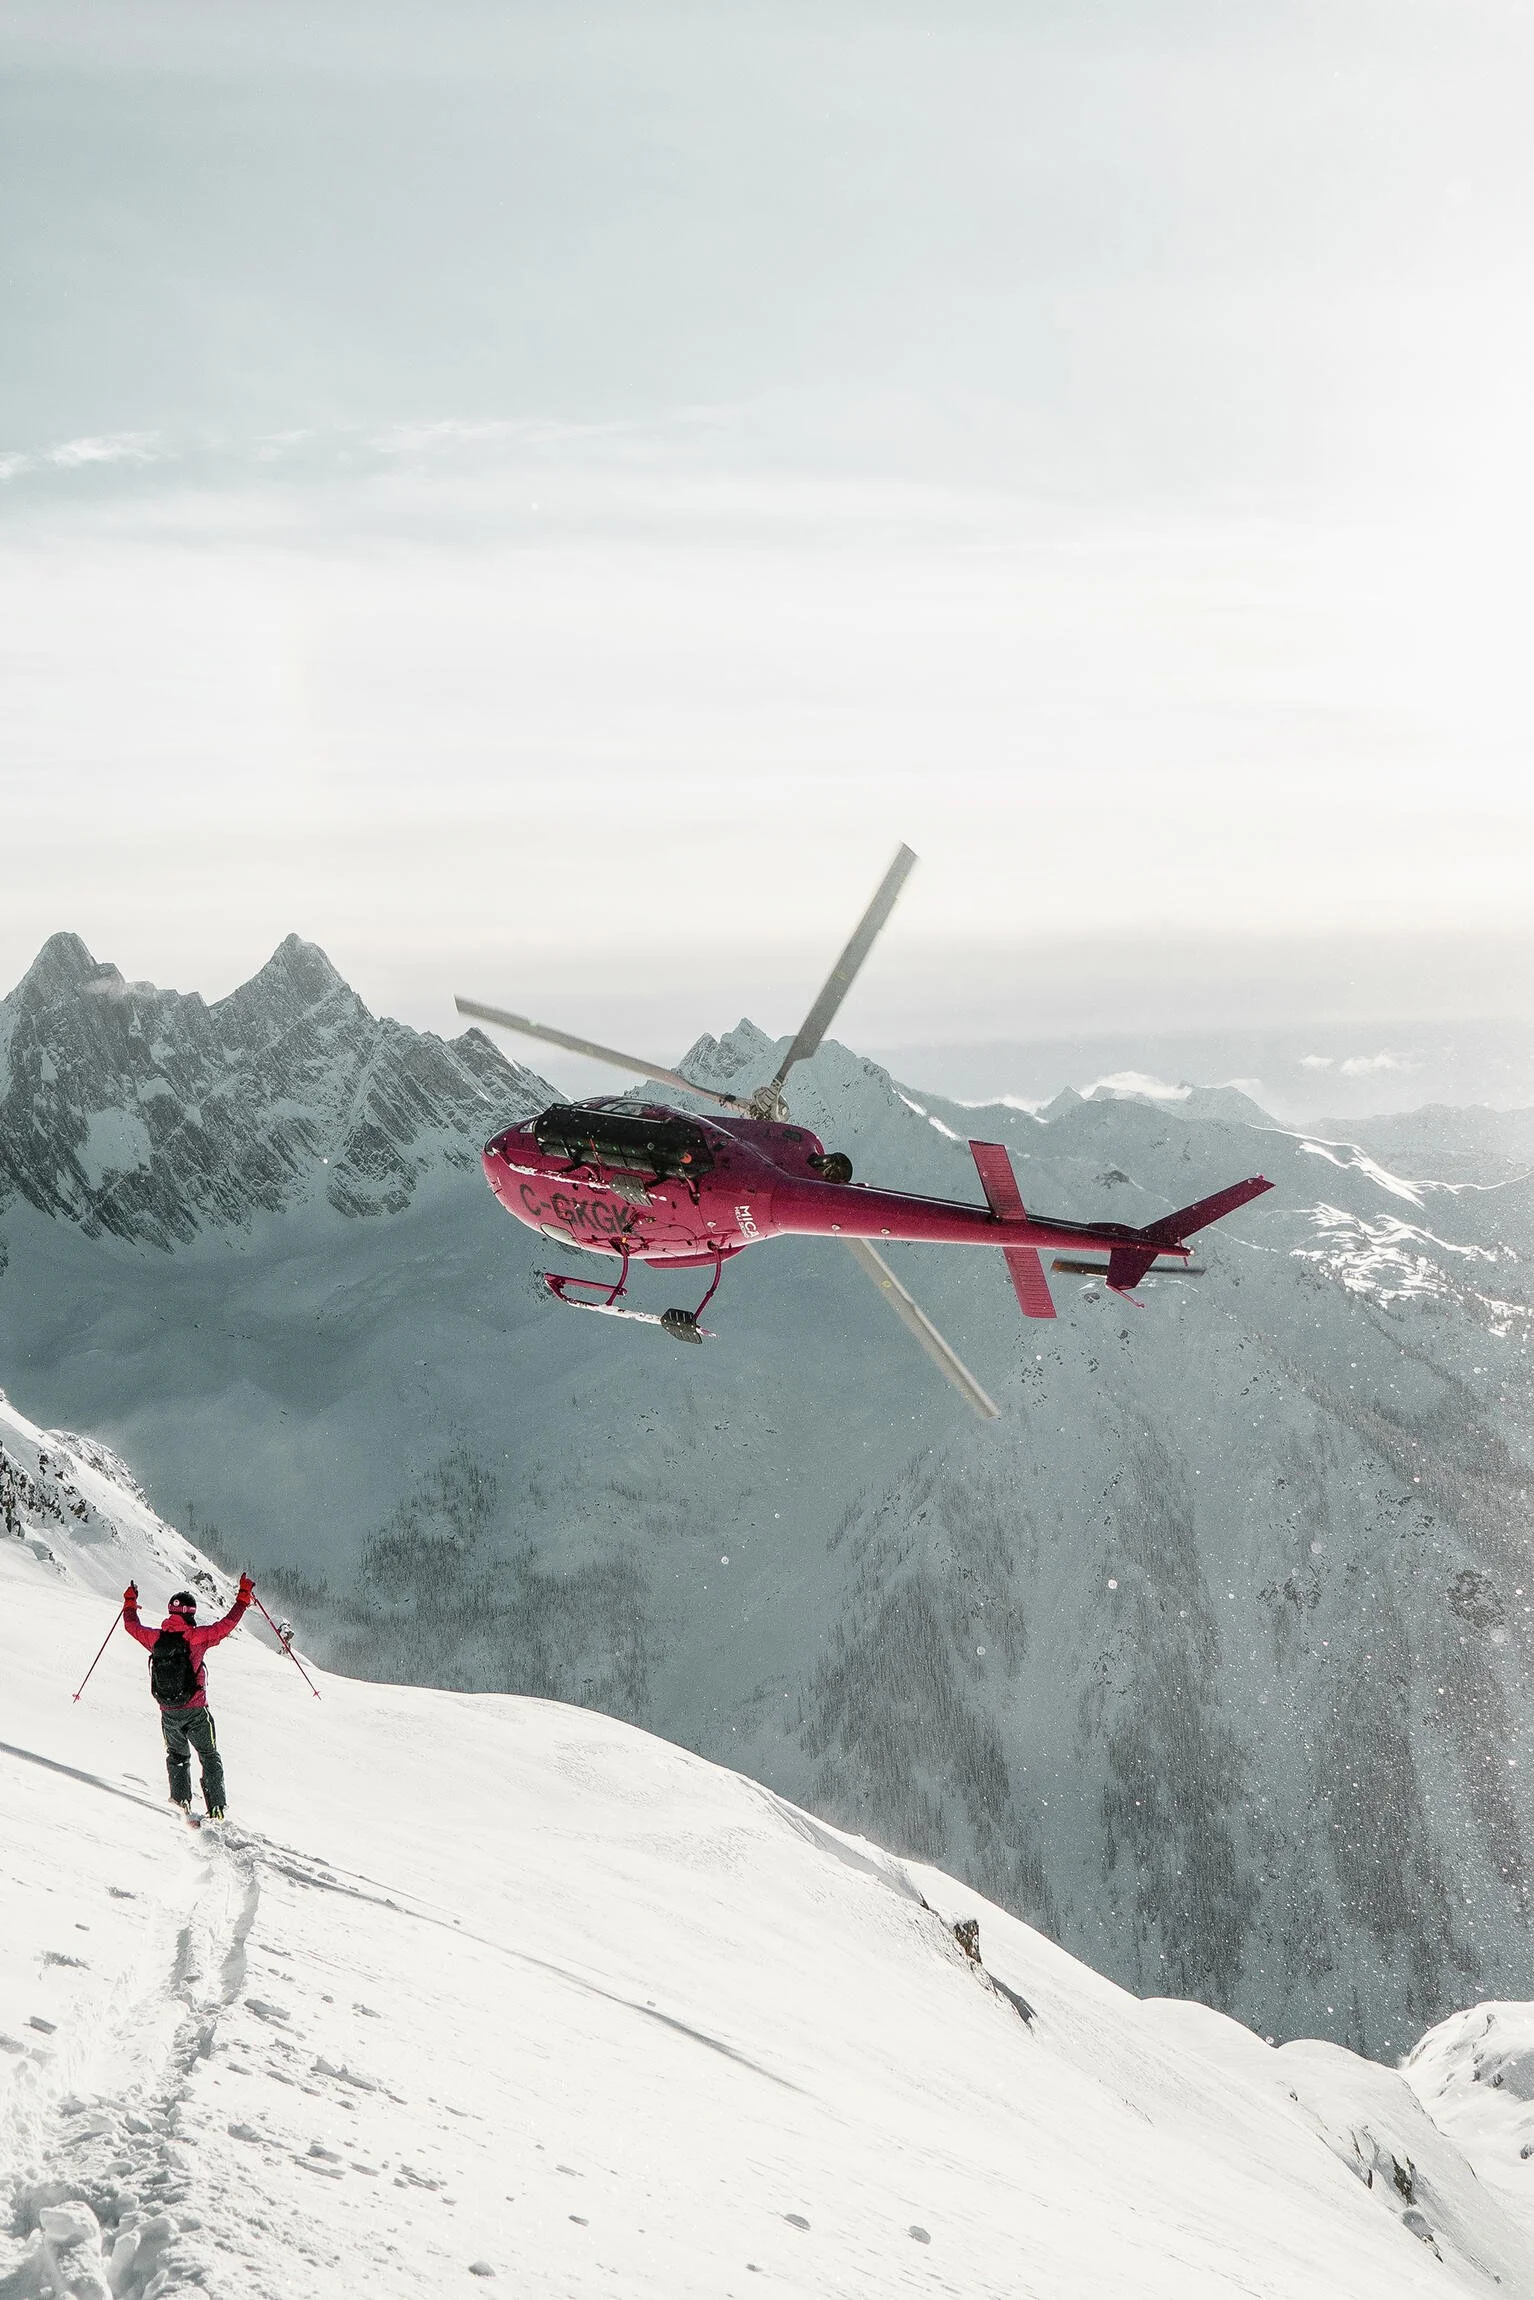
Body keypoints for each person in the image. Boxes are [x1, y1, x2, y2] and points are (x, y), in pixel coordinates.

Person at [123, 1577, 254, 1820]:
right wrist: (243, 1598)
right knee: (209, 1756)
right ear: (191, 1613)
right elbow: (226, 1625)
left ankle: (180, 1804)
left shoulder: (156, 1638)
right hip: (196, 1711)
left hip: (168, 1712)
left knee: (177, 1757)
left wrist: (130, 1602)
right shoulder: (196, 1637)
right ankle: (216, 1808)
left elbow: (131, 1626)